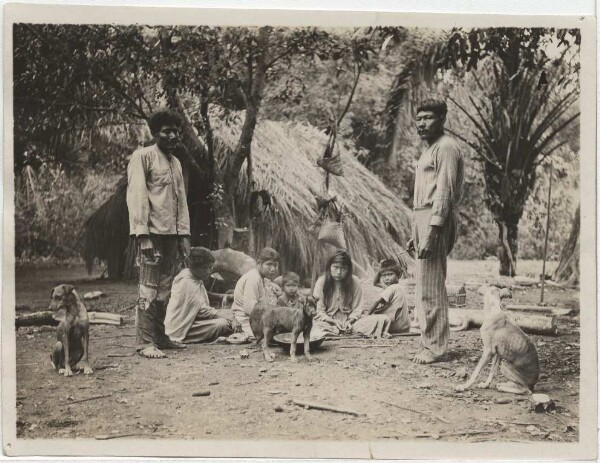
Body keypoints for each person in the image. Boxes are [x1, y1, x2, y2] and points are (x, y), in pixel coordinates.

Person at [126, 108, 191, 359]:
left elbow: (181, 202)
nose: (173, 135)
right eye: (167, 131)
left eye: (176, 131)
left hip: (171, 236)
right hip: (151, 234)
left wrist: (183, 236)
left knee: (165, 288)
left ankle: (160, 337)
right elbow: (137, 196)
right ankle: (144, 342)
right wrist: (142, 235)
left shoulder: (176, 163)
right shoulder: (142, 157)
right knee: (148, 288)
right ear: (155, 133)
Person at [408, 99, 464, 364]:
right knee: (422, 284)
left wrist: (432, 232)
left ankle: (437, 348)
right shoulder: (429, 150)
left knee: (431, 285)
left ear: (442, 119)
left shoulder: (447, 148)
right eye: (419, 119)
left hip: (435, 218)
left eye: (428, 118)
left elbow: (443, 193)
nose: (422, 124)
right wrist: (417, 232)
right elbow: (423, 194)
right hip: (423, 217)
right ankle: (429, 341)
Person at [164, 247, 238, 344]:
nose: (211, 270)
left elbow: (201, 296)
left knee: (229, 316)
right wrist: (229, 317)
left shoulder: (193, 276)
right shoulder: (187, 282)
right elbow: (203, 311)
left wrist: (223, 297)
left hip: (192, 320)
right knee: (222, 324)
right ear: (197, 268)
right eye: (208, 268)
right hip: (181, 326)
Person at [313, 250, 387, 336]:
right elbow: (319, 310)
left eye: (343, 268)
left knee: (381, 318)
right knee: (313, 324)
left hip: (351, 322)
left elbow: (357, 308)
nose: (339, 272)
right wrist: (332, 321)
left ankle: (341, 331)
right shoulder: (321, 281)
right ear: (329, 267)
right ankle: (336, 330)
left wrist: (350, 321)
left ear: (349, 270)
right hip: (328, 322)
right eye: (335, 267)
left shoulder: (355, 282)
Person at [231, 247, 280, 338]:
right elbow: (250, 309)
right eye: (269, 264)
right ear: (258, 263)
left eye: (275, 265)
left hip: (257, 320)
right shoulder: (253, 279)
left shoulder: (261, 278)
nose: (273, 269)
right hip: (247, 322)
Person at [358, 259, 410, 337]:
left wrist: (367, 316)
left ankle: (382, 331)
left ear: (398, 275)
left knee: (363, 319)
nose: (387, 278)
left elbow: (376, 301)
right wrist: (380, 270)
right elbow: (375, 283)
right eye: (384, 275)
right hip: (404, 328)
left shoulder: (392, 288)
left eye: (390, 274)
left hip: (393, 327)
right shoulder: (395, 287)